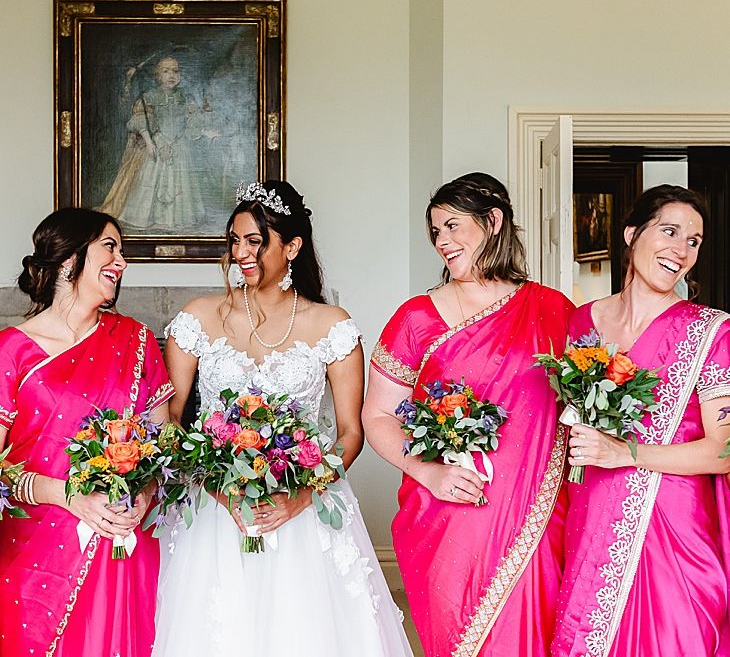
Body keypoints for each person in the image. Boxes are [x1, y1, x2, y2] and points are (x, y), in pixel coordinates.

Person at [153, 181, 412, 657]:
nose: (241, 254)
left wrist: (300, 498)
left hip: (305, 509)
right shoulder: (198, 318)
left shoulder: (332, 326)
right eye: (235, 240)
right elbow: (170, 418)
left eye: (255, 241)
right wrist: (215, 486)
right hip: (214, 509)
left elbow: (350, 433)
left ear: (291, 246)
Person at [362, 172, 575, 656]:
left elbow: (579, 406)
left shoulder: (554, 310)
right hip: (448, 513)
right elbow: (377, 415)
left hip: (536, 519)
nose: (442, 242)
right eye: (436, 232)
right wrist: (427, 472)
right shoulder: (416, 317)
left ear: (493, 221)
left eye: (453, 226)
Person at [551, 185, 730, 656]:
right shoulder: (580, 324)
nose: (682, 249)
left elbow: (725, 450)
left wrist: (624, 452)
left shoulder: (712, 330)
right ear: (632, 234)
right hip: (589, 518)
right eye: (669, 231)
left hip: (675, 531)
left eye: (694, 240)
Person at [0, 208, 174, 656]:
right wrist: (69, 496)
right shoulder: (12, 353)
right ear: (67, 261)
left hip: (122, 540)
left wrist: (146, 492)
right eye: (110, 246)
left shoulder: (134, 340)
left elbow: (164, 440)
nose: (122, 261)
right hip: (36, 550)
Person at [100, 56, 216, 233]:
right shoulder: (149, 97)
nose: (172, 75)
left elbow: (193, 121)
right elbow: (141, 121)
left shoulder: (185, 96)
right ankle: (149, 218)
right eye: (166, 71)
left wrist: (204, 132)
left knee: (181, 182)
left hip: (179, 146)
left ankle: (173, 220)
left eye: (175, 71)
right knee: (149, 181)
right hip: (154, 145)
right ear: (157, 75)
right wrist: (155, 142)